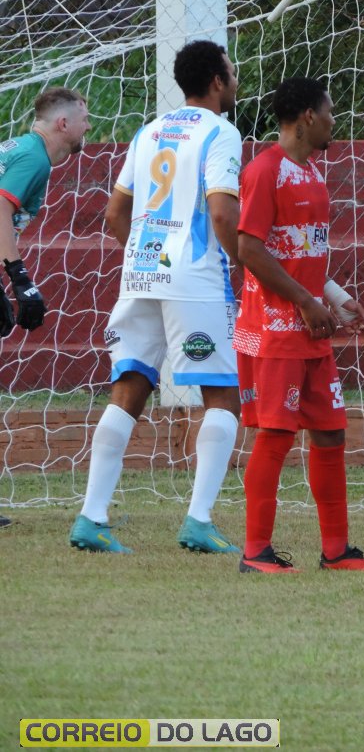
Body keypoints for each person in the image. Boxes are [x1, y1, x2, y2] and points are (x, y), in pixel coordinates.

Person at [69, 40, 242, 555]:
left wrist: (147, 254)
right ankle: (199, 521)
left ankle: (91, 517)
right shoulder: (221, 132)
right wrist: (243, 262)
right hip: (194, 279)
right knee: (223, 395)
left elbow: (114, 214)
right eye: (232, 73)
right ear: (217, 81)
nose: (236, 82)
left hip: (142, 272)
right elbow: (221, 213)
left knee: (130, 386)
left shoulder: (150, 130)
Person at [233, 76, 364, 574]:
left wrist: (337, 298)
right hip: (276, 330)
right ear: (307, 117)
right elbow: (249, 249)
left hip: (310, 327)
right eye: (329, 112)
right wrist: (304, 301)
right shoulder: (264, 171)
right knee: (277, 435)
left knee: (330, 432)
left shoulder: (312, 173)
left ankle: (336, 551)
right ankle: (255, 553)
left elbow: (298, 252)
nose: (333, 121)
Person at [0, 87, 90, 528]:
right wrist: (19, 279)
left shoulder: (25, 150)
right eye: (84, 118)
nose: (88, 126)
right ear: (63, 124)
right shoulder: (34, 158)